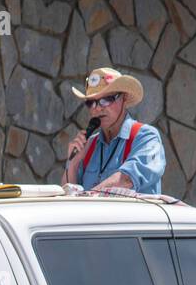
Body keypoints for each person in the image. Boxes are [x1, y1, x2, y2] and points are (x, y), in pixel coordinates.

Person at [61, 67, 167, 195]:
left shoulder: (146, 137)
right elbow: (67, 197)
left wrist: (88, 198)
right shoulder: (88, 145)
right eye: (91, 102)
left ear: (124, 98)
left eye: (106, 100)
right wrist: (72, 164)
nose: (97, 108)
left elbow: (126, 180)